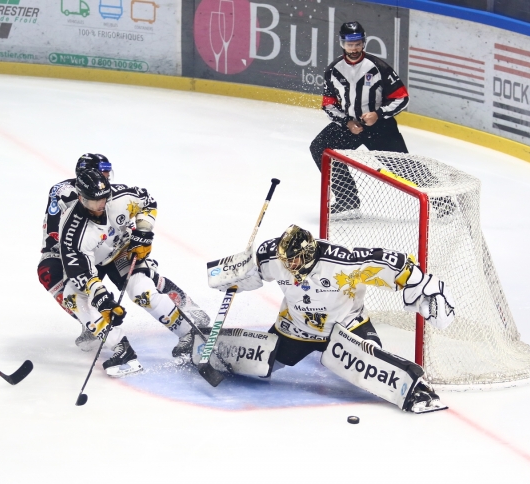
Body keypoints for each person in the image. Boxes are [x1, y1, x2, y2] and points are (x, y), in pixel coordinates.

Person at [205, 225, 455, 414]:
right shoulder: (273, 256)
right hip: (295, 329)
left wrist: (426, 289)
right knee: (259, 365)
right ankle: (207, 346)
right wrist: (231, 273)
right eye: (286, 261)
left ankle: (416, 389)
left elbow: (395, 264)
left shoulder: (343, 262)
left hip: (345, 327)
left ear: (310, 252)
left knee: (371, 365)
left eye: (294, 260)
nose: (289, 266)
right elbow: (250, 268)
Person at [47, 161, 209, 376]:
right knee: (72, 297)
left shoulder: (122, 197)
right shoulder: (73, 231)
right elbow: (80, 271)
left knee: (141, 291)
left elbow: (148, 202)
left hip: (124, 252)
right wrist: (101, 297)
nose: (101, 206)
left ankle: (189, 334)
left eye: (103, 199)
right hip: (94, 262)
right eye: (94, 202)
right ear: (81, 198)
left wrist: (143, 230)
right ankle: (120, 347)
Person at [309, 21, 410, 217]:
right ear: (342, 44)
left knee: (403, 166)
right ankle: (348, 200)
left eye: (357, 44)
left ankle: (440, 201)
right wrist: (347, 122)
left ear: (363, 42)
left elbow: (402, 98)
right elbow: (329, 104)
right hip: (351, 126)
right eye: (349, 44)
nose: (354, 48)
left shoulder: (379, 67)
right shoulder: (333, 70)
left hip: (381, 128)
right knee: (321, 148)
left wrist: (378, 115)